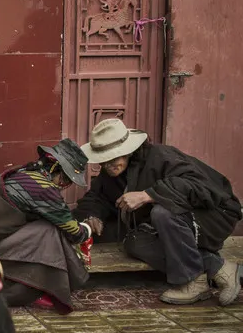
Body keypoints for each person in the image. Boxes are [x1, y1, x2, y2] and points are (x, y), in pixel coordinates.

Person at [75, 118, 243, 305]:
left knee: (162, 212)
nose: (109, 165)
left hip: (215, 215)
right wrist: (92, 216)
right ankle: (216, 266)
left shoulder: (161, 157)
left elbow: (200, 187)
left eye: (114, 158)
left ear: (128, 151)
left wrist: (148, 195)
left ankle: (192, 280)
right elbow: (96, 197)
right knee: (134, 243)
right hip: (173, 225)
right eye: (104, 160)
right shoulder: (112, 173)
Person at [0, 138, 92, 312]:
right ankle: (45, 287)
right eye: (66, 181)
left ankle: (43, 285)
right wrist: (87, 228)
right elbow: (74, 232)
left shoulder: (23, 173)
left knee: (46, 227)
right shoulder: (42, 188)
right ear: (55, 170)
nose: (63, 187)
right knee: (49, 231)